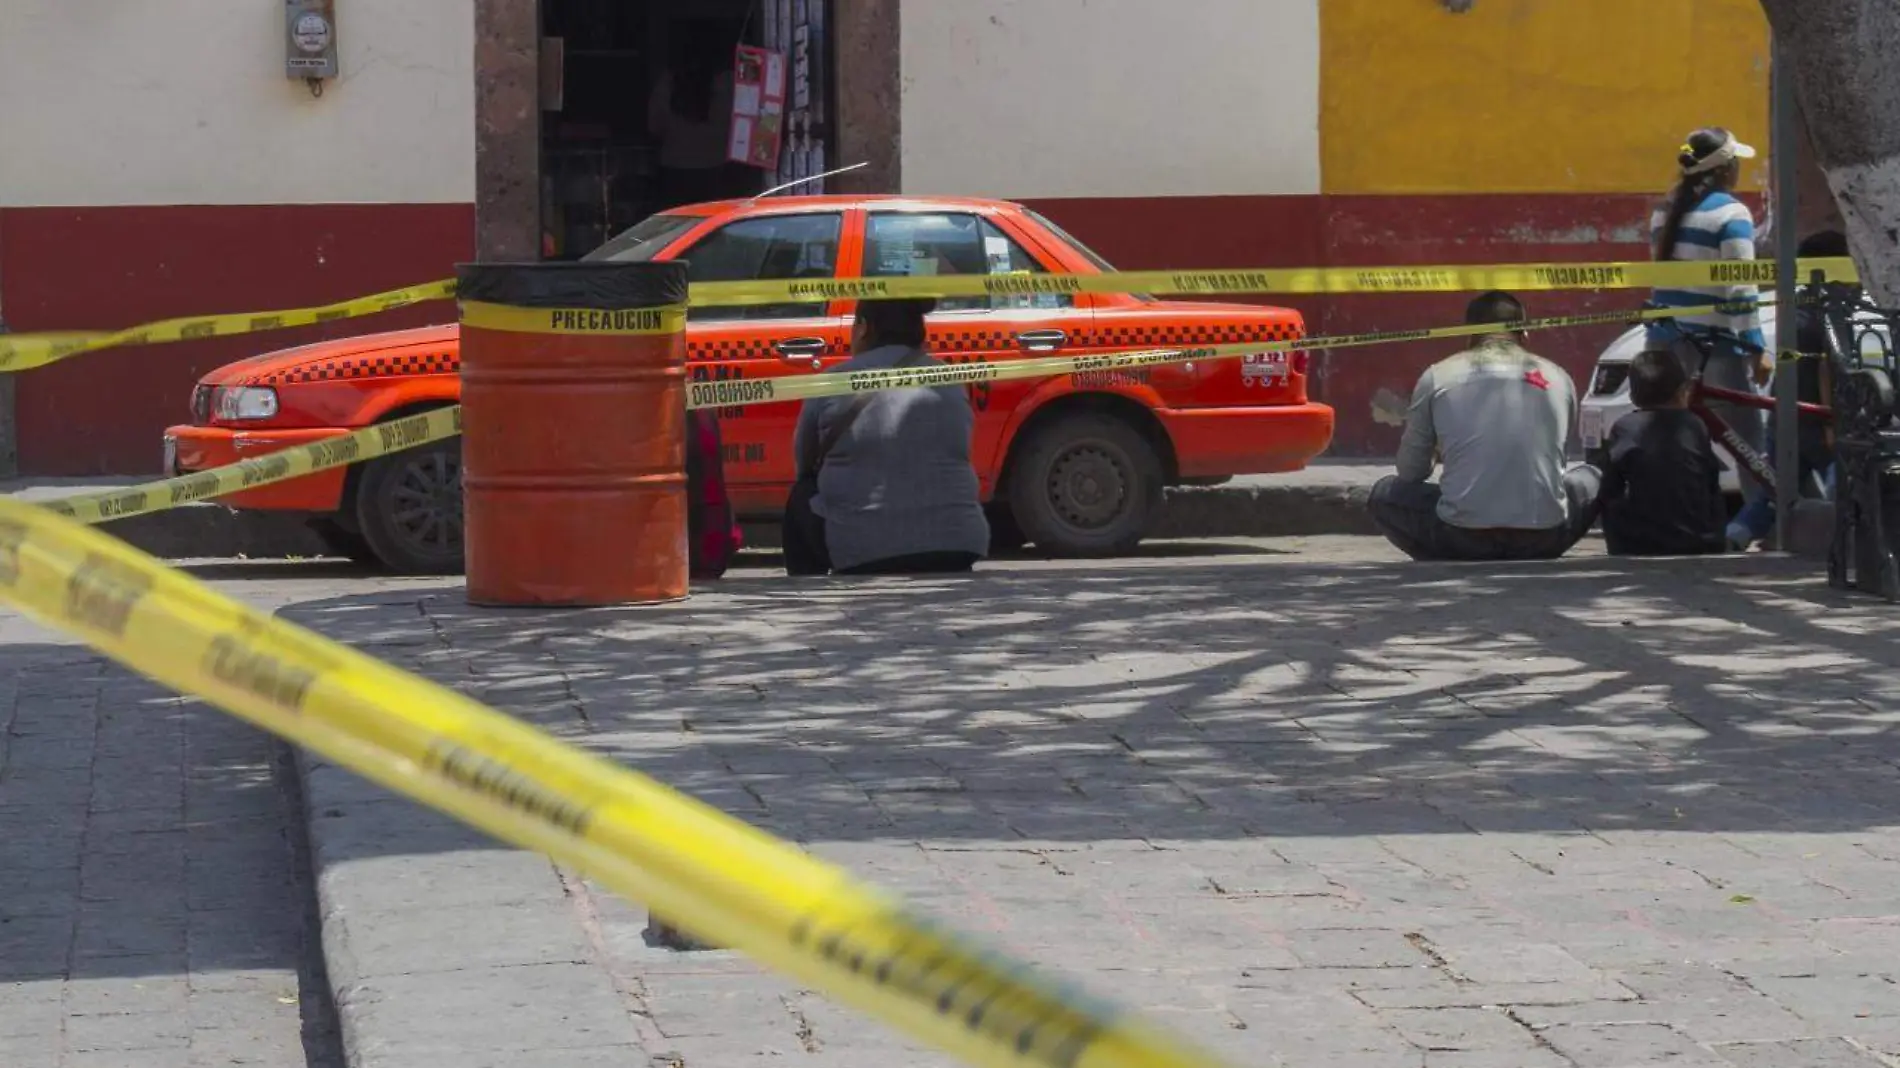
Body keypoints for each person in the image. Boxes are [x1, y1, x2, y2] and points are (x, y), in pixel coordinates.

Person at [1368, 291, 1600, 561]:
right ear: (1524, 333)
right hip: (1544, 538)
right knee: (1592, 477)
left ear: (1470, 334)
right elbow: (1554, 462)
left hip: (1461, 538)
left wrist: (1438, 450)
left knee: (1384, 493)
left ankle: (1441, 556)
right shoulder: (1559, 377)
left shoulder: (1438, 376)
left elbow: (1410, 472)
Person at [784, 298, 990, 576]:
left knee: (802, 494)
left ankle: (809, 597)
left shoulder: (832, 381)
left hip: (863, 553)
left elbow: (804, 465)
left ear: (864, 328)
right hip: (959, 546)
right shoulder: (950, 379)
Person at [1646, 127, 1767, 548]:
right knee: (1750, 447)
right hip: (1714, 347)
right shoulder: (1732, 215)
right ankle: (1764, 529)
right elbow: (1740, 288)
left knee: (1671, 442)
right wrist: (1755, 345)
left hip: (1664, 344)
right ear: (1727, 168)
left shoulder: (1664, 212)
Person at [1728, 229, 1852, 547]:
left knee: (1774, 492)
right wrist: (1830, 423)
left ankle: (1734, 536)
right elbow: (1826, 367)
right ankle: (1845, 542)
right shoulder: (1831, 311)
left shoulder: (1794, 305)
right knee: (1843, 481)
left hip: (1784, 411)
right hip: (1816, 416)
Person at [1597, 350, 1728, 556]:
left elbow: (1609, 490)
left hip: (1638, 545)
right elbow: (1711, 483)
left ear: (1632, 396)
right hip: (1697, 542)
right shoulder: (1694, 425)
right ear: (1682, 391)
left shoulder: (1625, 427)